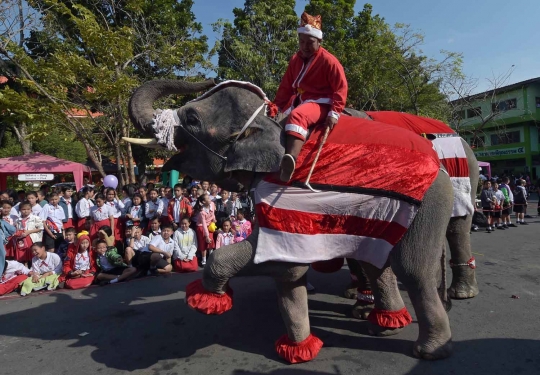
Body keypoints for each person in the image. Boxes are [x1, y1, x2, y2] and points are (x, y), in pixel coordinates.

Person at [273, 11, 347, 182]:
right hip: (299, 100)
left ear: (319, 41)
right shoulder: (295, 59)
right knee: (274, 120)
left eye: (310, 42)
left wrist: (334, 112)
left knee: (297, 116)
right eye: (301, 42)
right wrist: (275, 107)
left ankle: (290, 160)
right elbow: (285, 88)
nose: (305, 46)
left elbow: (340, 87)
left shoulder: (329, 61)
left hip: (321, 102)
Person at [194, 194, 216, 266]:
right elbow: (203, 224)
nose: (210, 199)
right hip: (201, 227)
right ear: (203, 202)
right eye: (208, 199)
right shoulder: (202, 212)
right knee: (204, 243)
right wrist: (206, 236)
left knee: (211, 242)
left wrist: (214, 219)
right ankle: (204, 261)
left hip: (210, 225)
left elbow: (213, 213)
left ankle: (212, 258)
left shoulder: (212, 204)